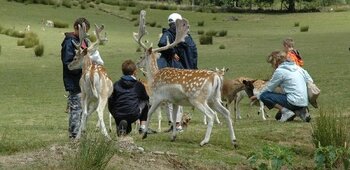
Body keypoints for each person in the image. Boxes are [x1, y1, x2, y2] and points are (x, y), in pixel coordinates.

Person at [157, 13, 198, 132]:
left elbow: (191, 54)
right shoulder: (173, 34)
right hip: (177, 70)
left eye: (173, 24)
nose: (172, 26)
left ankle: (177, 124)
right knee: (172, 99)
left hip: (178, 71)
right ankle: (174, 124)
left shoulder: (184, 35)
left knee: (174, 99)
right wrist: (172, 53)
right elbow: (162, 43)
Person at [250, 51, 312, 122]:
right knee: (278, 117)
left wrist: (258, 96)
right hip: (304, 101)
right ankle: (301, 112)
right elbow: (310, 81)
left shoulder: (280, 71)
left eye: (272, 64)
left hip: (292, 100)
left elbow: (269, 88)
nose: (272, 66)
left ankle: (286, 112)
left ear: (276, 62)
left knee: (264, 96)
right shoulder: (299, 68)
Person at [108, 60, 156, 136]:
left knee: (112, 101)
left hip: (118, 114)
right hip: (133, 114)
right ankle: (142, 127)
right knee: (146, 101)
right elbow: (145, 98)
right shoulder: (138, 85)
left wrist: (114, 114)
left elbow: (110, 101)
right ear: (135, 72)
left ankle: (122, 126)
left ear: (122, 71)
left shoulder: (116, 84)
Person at [61, 17, 90, 139]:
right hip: (74, 81)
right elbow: (68, 63)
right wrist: (82, 69)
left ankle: (79, 134)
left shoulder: (84, 41)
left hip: (84, 82)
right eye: (83, 30)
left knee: (82, 109)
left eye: (86, 31)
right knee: (76, 109)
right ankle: (74, 136)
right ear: (76, 28)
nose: (85, 33)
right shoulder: (69, 42)